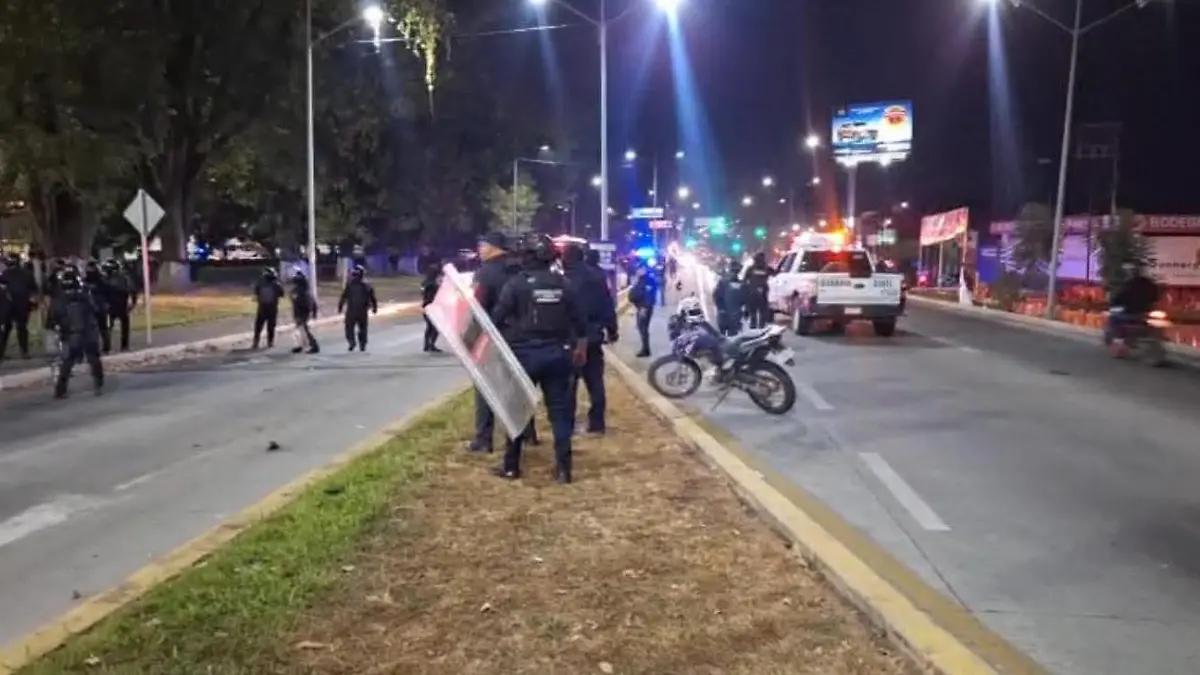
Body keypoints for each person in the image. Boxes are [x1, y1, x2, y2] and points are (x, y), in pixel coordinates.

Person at [490, 234, 588, 483]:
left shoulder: (516, 284)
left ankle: (511, 466)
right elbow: (580, 323)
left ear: (527, 256)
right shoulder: (564, 284)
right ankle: (564, 470)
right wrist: (580, 347)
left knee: (517, 410)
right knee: (559, 413)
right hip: (558, 355)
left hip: (524, 355)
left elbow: (495, 319)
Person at [467, 231, 518, 454]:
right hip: (519, 336)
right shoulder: (517, 268)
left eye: (483, 245)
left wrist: (471, 337)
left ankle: (483, 438)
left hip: (492, 336)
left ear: (495, 247)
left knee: (486, 387)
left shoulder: (485, 272)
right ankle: (524, 434)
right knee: (515, 387)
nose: (480, 249)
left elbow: (477, 307)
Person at [563, 244, 618, 435]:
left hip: (570, 338)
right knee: (595, 382)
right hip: (593, 336)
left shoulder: (563, 280)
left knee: (569, 385)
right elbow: (608, 306)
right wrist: (612, 331)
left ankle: (567, 424)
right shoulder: (598, 277)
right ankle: (597, 423)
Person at [47, 267, 103, 399]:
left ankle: (60, 390)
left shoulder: (58, 300)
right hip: (88, 332)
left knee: (67, 363)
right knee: (93, 359)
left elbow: (50, 321)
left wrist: (57, 330)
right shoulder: (85, 296)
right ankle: (98, 384)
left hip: (70, 334)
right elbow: (96, 310)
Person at [1106, 262, 1161, 344]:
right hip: (1144, 313)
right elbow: (1155, 297)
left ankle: (1118, 340)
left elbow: (1120, 298)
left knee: (1114, 318)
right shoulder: (1149, 283)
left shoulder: (1128, 284)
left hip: (1129, 313)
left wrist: (1112, 303)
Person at [1, 253, 37, 359]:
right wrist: (33, 302)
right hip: (22, 304)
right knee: (21, 327)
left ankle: (1, 352)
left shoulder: (5, 273)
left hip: (7, 304)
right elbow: (33, 289)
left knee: (5, 329)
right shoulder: (27, 273)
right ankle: (24, 351)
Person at [338, 264, 378, 351]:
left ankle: (352, 342)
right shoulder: (367, 285)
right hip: (362, 311)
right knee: (362, 328)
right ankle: (362, 344)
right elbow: (373, 298)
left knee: (349, 327)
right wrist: (375, 308)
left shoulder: (350, 284)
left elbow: (343, 296)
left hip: (351, 311)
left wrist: (340, 307)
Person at [102, 259, 137, 352]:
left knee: (110, 327)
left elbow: (132, 290)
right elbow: (132, 290)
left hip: (116, 305)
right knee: (118, 325)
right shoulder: (124, 277)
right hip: (117, 305)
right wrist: (133, 302)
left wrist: (133, 302)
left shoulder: (109, 279)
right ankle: (122, 346)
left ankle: (108, 347)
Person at [629, 263, 658, 357]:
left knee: (643, 328)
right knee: (641, 327)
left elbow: (649, 295)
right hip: (640, 307)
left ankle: (646, 350)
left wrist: (644, 308)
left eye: (639, 269)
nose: (637, 271)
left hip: (644, 308)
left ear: (644, 269)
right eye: (637, 270)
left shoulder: (649, 280)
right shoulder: (640, 279)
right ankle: (645, 348)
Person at [252, 267, 285, 349]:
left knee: (258, 326)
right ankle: (270, 342)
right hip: (272, 308)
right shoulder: (276, 284)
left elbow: (256, 293)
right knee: (271, 326)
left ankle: (256, 342)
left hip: (262, 308)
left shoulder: (260, 283)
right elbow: (282, 294)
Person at [289, 270, 320, 354]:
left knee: (305, 330)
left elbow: (305, 303)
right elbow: (313, 302)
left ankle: (313, 346)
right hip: (301, 313)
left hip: (303, 313)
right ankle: (300, 345)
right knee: (300, 330)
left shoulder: (301, 292)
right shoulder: (303, 290)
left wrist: (311, 312)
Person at [713, 259, 745, 336]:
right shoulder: (738, 283)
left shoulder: (724, 281)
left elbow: (716, 295)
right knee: (730, 337)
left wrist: (721, 308)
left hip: (728, 314)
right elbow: (743, 298)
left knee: (724, 337)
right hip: (731, 314)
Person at [742, 252, 773, 329]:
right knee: (763, 312)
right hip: (763, 293)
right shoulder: (767, 268)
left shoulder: (750, 269)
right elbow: (775, 274)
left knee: (753, 313)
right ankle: (761, 328)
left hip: (752, 292)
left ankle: (753, 328)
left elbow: (744, 280)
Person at [420, 263, 443, 353]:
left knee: (429, 326)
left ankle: (427, 344)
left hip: (425, 306)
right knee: (435, 327)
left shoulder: (424, 283)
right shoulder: (434, 285)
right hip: (433, 307)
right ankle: (431, 344)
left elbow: (423, 294)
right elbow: (434, 297)